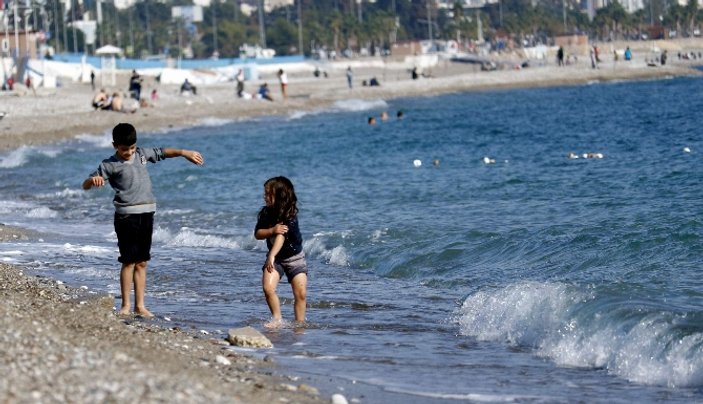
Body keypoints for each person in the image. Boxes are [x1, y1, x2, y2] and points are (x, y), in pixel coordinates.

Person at [82, 123, 204, 317]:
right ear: (115, 145)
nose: (129, 152)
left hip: (147, 214)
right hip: (125, 217)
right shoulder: (109, 164)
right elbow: (85, 185)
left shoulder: (141, 154)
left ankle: (140, 306)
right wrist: (93, 180)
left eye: (132, 148)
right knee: (128, 261)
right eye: (124, 149)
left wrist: (183, 152)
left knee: (142, 262)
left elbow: (164, 152)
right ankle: (125, 306)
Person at [254, 176, 308, 327]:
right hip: (276, 259)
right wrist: (271, 229)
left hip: (295, 258)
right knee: (268, 288)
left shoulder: (290, 215)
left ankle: (300, 324)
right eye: (264, 193)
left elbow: (281, 237)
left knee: (301, 294)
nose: (265, 197)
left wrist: (271, 255)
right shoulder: (265, 213)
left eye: (268, 194)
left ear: (280, 196)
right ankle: (277, 319)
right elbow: (258, 234)